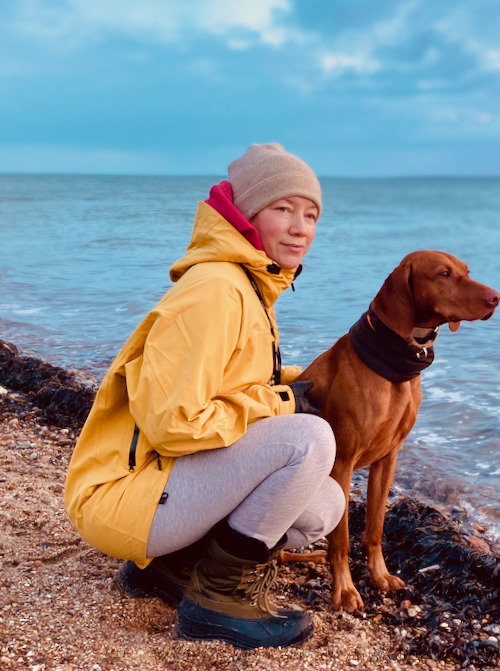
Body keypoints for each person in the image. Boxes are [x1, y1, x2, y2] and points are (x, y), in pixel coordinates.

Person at [64, 144, 345, 649]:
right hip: (123, 494)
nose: (301, 228)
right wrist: (286, 403)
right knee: (307, 441)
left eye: (311, 214)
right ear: (247, 214)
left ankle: (170, 570)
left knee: (321, 505)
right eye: (283, 209)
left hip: (159, 483)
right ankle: (218, 602)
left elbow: (231, 384)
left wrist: (322, 382)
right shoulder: (215, 290)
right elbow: (174, 423)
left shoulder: (250, 284)